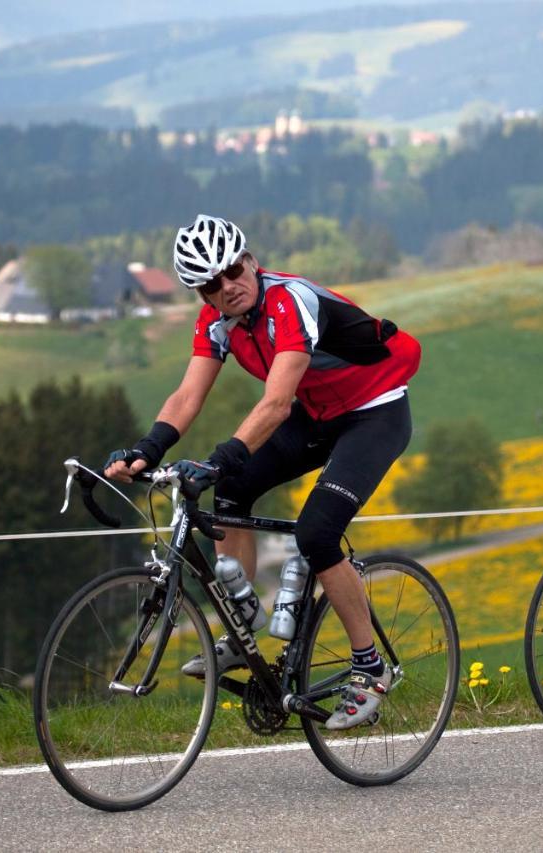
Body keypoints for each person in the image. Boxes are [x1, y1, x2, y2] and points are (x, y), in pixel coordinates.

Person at [105, 214, 421, 729]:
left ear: (250, 261)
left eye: (233, 270)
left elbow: (275, 404)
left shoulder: (288, 302)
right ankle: (242, 624)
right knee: (230, 489)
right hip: (318, 413)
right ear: (201, 294)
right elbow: (188, 394)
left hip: (374, 411)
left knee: (318, 533)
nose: (229, 287)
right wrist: (148, 448)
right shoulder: (215, 322)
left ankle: (369, 667)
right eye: (212, 284)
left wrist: (220, 455)